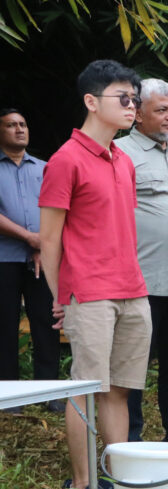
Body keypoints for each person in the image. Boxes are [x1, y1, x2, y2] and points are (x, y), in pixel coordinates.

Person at [38, 60, 151, 489]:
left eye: (134, 99)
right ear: (91, 101)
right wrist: (60, 297)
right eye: (123, 98)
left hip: (132, 289)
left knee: (119, 389)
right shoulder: (65, 159)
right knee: (85, 388)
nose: (132, 106)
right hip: (88, 291)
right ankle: (82, 485)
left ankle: (118, 484)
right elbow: (49, 238)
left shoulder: (124, 160)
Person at [116, 79, 168, 444]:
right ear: (137, 114)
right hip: (142, 282)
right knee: (131, 369)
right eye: (162, 110)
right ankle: (129, 443)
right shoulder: (119, 153)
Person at [0, 108, 61, 412]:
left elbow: (56, 209)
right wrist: (29, 238)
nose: (19, 129)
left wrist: (41, 244)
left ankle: (49, 393)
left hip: (42, 257)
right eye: (11, 125)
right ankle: (9, 396)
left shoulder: (46, 168)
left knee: (47, 322)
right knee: (5, 326)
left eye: (23, 124)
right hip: (4, 259)